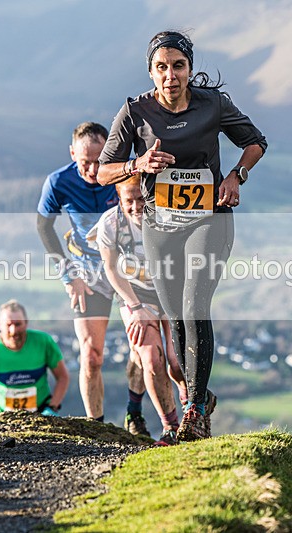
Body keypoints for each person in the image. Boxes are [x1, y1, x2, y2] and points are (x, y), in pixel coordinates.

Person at [97, 31, 266, 441]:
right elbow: (102, 172)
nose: (170, 75)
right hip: (160, 225)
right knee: (175, 316)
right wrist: (137, 164)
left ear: (189, 68)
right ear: (150, 72)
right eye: (162, 67)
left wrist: (236, 176)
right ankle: (200, 398)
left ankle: (194, 410)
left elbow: (255, 142)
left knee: (194, 305)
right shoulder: (135, 111)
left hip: (209, 218)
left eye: (178, 66)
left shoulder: (213, 104)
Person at [37, 122, 146, 429]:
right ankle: (96, 426)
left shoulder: (122, 173)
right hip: (88, 273)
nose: (93, 169)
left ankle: (134, 413)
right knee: (92, 355)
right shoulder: (59, 182)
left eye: (100, 160)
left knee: (140, 348)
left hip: (128, 270)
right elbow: (44, 227)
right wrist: (68, 275)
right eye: (86, 162)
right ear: (72, 154)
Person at [92, 174, 189, 445]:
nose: (135, 207)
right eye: (128, 201)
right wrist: (134, 307)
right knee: (151, 357)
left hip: (170, 290)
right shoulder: (110, 223)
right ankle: (171, 427)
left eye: (141, 199)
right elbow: (111, 268)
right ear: (119, 199)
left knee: (177, 361)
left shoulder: (169, 216)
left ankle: (193, 407)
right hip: (135, 293)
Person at [0, 299, 69, 420]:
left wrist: (52, 407)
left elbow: (63, 377)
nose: (13, 331)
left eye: (18, 324)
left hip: (41, 411)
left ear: (26, 322)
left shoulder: (44, 342)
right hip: (4, 415)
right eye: (8, 324)